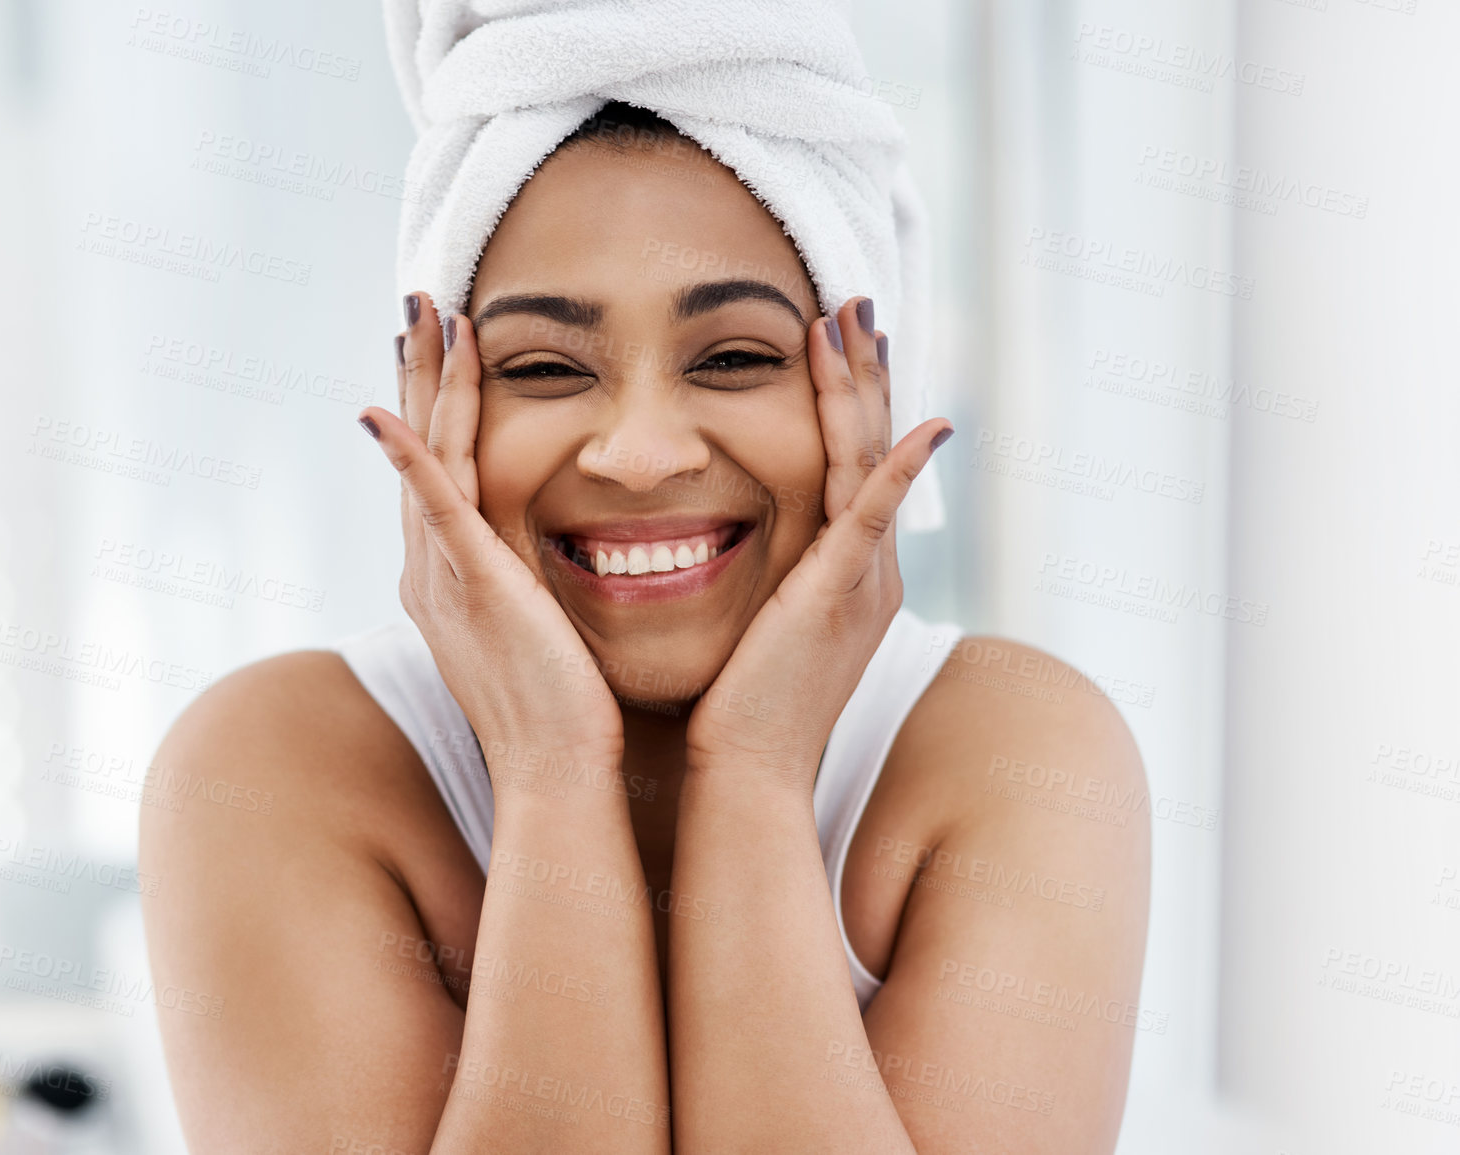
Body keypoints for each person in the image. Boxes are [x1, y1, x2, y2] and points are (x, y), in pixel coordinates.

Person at [139, 91, 1148, 1155]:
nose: (640, 451)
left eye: (733, 359)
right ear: (439, 405)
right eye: (543, 368)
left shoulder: (1021, 754)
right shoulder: (275, 767)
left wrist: (755, 777)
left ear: (859, 394)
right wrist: (549, 769)